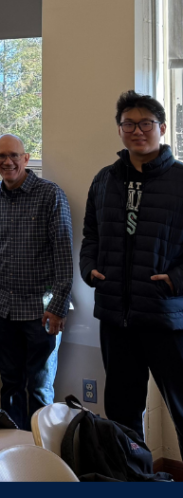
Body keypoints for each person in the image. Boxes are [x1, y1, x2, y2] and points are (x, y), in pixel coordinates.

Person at [81, 91, 183, 445]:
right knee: (122, 414)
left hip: (166, 315)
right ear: (120, 129)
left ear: (162, 128)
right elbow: (90, 233)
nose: (137, 131)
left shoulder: (180, 180)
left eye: (145, 123)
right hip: (115, 317)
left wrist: (175, 280)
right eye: (128, 124)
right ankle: (133, 483)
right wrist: (89, 266)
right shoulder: (105, 179)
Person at [0, 133, 73, 431]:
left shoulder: (50, 195)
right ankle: (14, 452)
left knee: (40, 389)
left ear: (26, 158)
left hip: (40, 312)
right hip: (4, 309)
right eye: (1, 157)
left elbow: (64, 256)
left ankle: (43, 457)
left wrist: (58, 306)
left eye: (14, 156)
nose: (7, 162)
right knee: (10, 386)